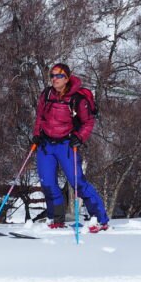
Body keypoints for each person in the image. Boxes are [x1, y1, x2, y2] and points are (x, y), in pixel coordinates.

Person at [32, 63, 109, 232]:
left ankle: (100, 219)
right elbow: (40, 117)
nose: (54, 79)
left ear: (66, 78)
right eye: (52, 75)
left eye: (59, 76)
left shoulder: (77, 99)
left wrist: (79, 137)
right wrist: (37, 134)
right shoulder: (46, 94)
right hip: (46, 145)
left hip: (66, 145)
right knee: (48, 183)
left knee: (78, 183)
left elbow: (88, 122)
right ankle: (56, 218)